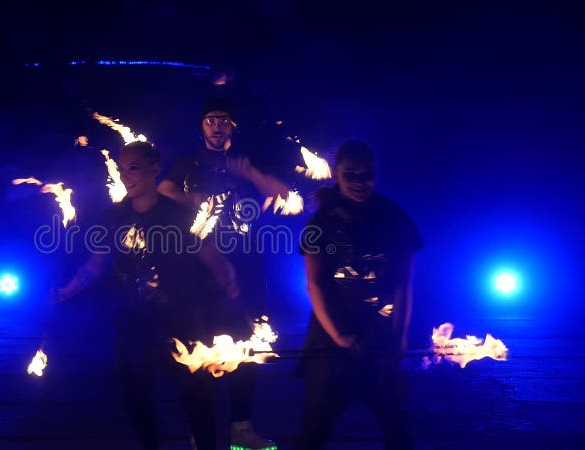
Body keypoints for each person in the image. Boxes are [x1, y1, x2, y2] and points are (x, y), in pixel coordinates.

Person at [55, 141, 239, 450]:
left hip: (179, 321)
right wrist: (68, 289)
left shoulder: (179, 215)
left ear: (155, 168)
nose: (127, 176)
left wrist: (229, 283)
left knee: (197, 396)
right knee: (137, 397)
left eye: (135, 168)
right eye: (123, 169)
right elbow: (96, 264)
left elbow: (210, 255)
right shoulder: (112, 217)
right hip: (133, 323)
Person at [158, 98, 284, 450]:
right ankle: (202, 433)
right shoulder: (189, 162)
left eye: (224, 120)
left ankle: (241, 429)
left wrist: (252, 174)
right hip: (200, 269)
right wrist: (193, 199)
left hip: (247, 265)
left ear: (234, 127)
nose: (217, 125)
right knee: (204, 345)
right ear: (201, 127)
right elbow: (164, 192)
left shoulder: (247, 161)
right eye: (210, 120)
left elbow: (282, 195)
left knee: (249, 343)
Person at [297, 140, 423, 450]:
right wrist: (339, 336)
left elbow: (403, 284)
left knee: (397, 426)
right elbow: (314, 284)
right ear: (337, 175)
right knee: (315, 428)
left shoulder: (394, 218)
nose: (359, 182)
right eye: (350, 175)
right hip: (330, 337)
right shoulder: (321, 223)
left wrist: (400, 336)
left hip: (380, 335)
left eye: (366, 175)